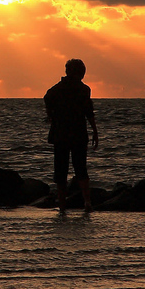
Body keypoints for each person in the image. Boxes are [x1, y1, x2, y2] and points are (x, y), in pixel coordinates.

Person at [44, 59, 99, 213]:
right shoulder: (84, 89)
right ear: (81, 73)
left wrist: (51, 114)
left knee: (60, 170)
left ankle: (62, 205)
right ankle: (87, 202)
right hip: (78, 133)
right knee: (81, 168)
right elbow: (89, 112)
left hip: (60, 134)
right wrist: (95, 131)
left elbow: (47, 98)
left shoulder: (58, 89)